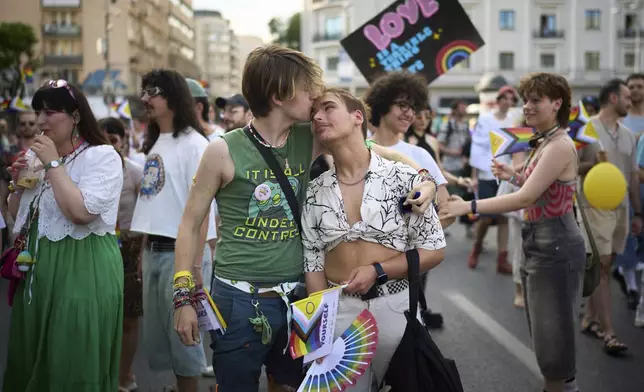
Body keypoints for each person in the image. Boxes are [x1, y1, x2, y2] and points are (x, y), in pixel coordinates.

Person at [171, 44, 437, 392]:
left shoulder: (309, 137)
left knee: (304, 385)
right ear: (280, 93)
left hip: (301, 299)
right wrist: (184, 298)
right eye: (307, 86)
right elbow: (191, 223)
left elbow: (372, 150)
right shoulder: (223, 150)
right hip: (239, 302)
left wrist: (424, 177)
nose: (315, 96)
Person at [440, 72, 585, 392]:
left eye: (536, 100)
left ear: (557, 103)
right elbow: (536, 187)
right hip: (539, 240)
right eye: (526, 100)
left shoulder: (559, 144)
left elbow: (526, 198)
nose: (528, 107)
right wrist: (512, 174)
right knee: (545, 336)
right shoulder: (544, 140)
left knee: (554, 341)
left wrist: (469, 207)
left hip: (555, 243)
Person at [303, 89, 446, 391]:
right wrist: (316, 342)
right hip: (340, 313)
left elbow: (433, 250)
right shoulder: (313, 191)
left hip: (396, 310)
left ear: (358, 117)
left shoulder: (403, 178)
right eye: (314, 112)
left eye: (328, 108)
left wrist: (378, 271)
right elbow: (313, 266)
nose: (317, 116)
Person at [3, 80, 124, 391]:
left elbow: (81, 213)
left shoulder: (102, 156)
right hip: (39, 268)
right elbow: (20, 213)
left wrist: (52, 164)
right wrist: (18, 182)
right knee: (32, 351)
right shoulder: (39, 159)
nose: (41, 121)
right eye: (38, 112)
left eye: (51, 112)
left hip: (83, 266)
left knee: (71, 354)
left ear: (76, 116)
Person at [129, 69, 216, 392]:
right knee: (164, 342)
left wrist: (194, 267)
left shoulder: (195, 145)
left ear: (174, 98)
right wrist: (143, 252)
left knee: (185, 343)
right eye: (144, 91)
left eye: (153, 91)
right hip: (154, 252)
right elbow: (153, 206)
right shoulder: (155, 143)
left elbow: (204, 209)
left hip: (181, 258)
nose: (145, 99)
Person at [577, 78, 642, 356]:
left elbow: (632, 177)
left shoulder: (628, 134)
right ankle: (609, 332)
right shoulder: (585, 129)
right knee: (602, 266)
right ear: (614, 98)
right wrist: (593, 165)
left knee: (606, 264)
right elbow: (569, 165)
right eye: (627, 96)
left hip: (622, 209)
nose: (632, 101)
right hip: (594, 207)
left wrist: (638, 212)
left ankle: (590, 319)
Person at [99, 117, 145, 392]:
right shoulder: (90, 173)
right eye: (102, 140)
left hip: (130, 250)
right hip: (100, 245)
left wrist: (143, 252)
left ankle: (124, 374)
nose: (109, 146)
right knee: (102, 315)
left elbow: (149, 213)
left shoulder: (136, 172)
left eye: (113, 140)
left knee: (129, 319)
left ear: (124, 141)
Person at [467, 86, 519, 273]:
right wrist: (474, 176)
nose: (508, 101)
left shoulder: (514, 119)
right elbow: (477, 147)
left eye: (511, 98)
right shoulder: (485, 118)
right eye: (504, 97)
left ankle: (502, 259)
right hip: (486, 174)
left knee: (504, 217)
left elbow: (517, 148)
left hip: (506, 174)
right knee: (486, 218)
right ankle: (477, 247)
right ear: (498, 99)